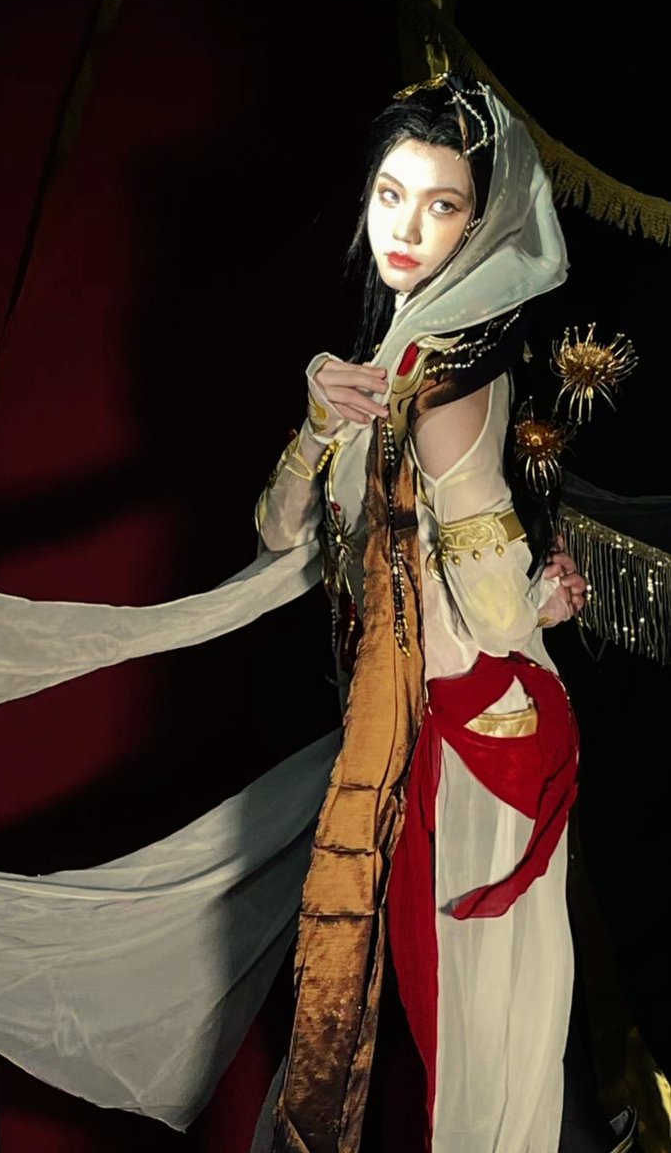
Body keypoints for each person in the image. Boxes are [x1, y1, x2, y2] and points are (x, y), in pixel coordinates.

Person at [251, 72, 635, 1153]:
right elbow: (280, 535)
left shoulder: (449, 385)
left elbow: (497, 610)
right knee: (484, 1036)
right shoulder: (385, 365)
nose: (407, 229)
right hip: (419, 724)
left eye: (442, 205)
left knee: (489, 1044)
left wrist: (535, 600)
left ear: (481, 223)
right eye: (391, 194)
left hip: (472, 738)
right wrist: (318, 421)